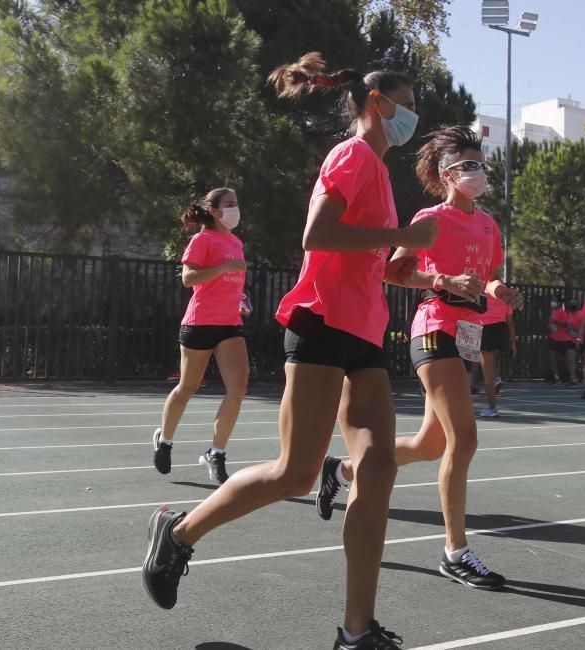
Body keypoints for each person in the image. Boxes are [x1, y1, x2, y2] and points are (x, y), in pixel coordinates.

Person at [141, 52, 437, 650]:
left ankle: (357, 633)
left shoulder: (380, 173)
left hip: (364, 333)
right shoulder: (351, 156)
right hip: (322, 323)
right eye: (405, 106)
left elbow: (366, 260)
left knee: (376, 469)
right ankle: (178, 532)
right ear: (376, 105)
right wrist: (401, 236)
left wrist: (418, 273)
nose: (412, 117)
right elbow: (317, 236)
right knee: (296, 472)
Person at [317, 126, 523, 591]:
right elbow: (393, 270)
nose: (478, 173)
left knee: (433, 444)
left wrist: (499, 290)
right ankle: (456, 551)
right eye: (468, 165)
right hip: (433, 330)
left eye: (481, 164)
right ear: (447, 174)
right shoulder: (432, 217)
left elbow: (487, 275)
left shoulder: (488, 225)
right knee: (463, 440)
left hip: (467, 332)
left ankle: (342, 470)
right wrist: (443, 280)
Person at [151, 188, 249, 485]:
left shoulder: (236, 242)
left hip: (229, 324)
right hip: (200, 323)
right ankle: (165, 440)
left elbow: (231, 283)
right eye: (229, 204)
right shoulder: (202, 240)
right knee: (187, 387)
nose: (235, 209)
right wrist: (224, 268)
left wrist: (242, 298)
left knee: (238, 388)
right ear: (215, 211)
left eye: (236, 203)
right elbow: (189, 279)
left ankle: (216, 453)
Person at [469, 295, 516, 417]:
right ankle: (496, 379)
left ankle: (492, 408)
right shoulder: (503, 293)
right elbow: (510, 321)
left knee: (486, 373)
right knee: (494, 361)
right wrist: (514, 344)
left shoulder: (479, 292)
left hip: (485, 329)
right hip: (501, 330)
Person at [547, 300, 582, 385]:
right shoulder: (567, 314)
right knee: (568, 360)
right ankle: (570, 378)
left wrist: (574, 329)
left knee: (573, 360)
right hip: (568, 340)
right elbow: (567, 327)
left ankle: (581, 377)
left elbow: (581, 327)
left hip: (577, 339)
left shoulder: (580, 314)